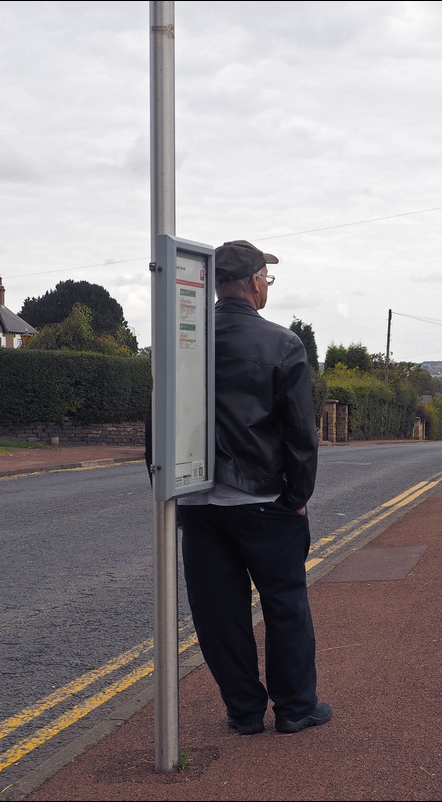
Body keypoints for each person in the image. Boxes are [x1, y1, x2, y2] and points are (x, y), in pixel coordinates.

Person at [176, 240, 331, 736]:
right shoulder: (283, 344)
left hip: (198, 503)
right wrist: (297, 497)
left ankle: (244, 713)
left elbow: (158, 422)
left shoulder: (185, 339)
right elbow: (300, 434)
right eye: (267, 277)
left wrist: (173, 493)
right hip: (265, 501)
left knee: (219, 614)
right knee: (284, 602)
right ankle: (295, 708)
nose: (267, 285)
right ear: (254, 282)